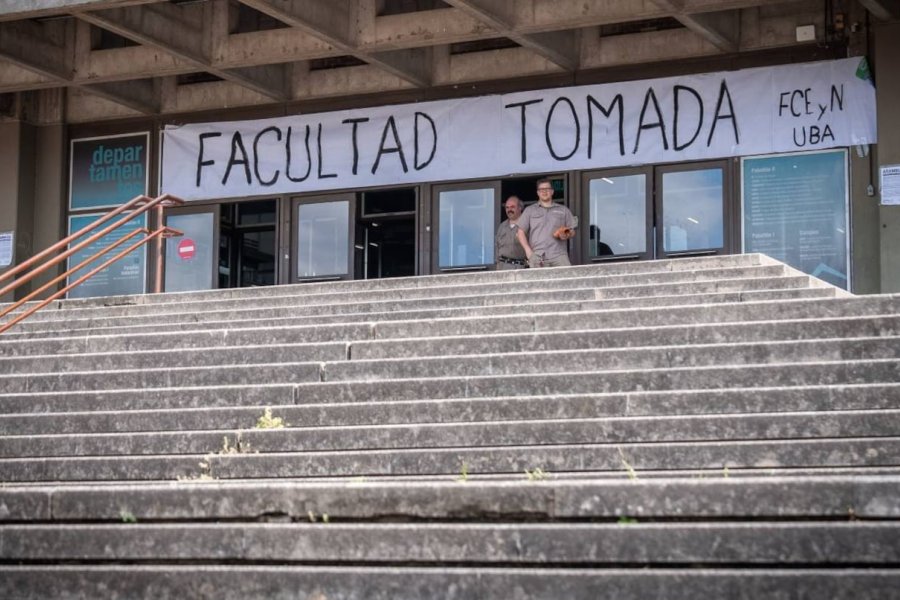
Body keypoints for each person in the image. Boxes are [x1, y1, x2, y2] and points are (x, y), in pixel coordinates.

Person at [516, 179, 576, 268]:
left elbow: (572, 230)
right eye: (541, 190)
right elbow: (520, 233)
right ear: (538, 193)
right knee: (539, 282)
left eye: (547, 189)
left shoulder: (563, 210)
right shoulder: (530, 210)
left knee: (566, 280)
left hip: (559, 256)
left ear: (552, 191)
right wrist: (528, 252)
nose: (544, 192)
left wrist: (567, 234)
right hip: (538, 256)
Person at [495, 195, 527, 270]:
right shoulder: (502, 226)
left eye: (512, 207)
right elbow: (497, 247)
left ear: (520, 208)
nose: (509, 210)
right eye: (507, 207)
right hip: (502, 267)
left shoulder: (527, 224)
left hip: (521, 267)